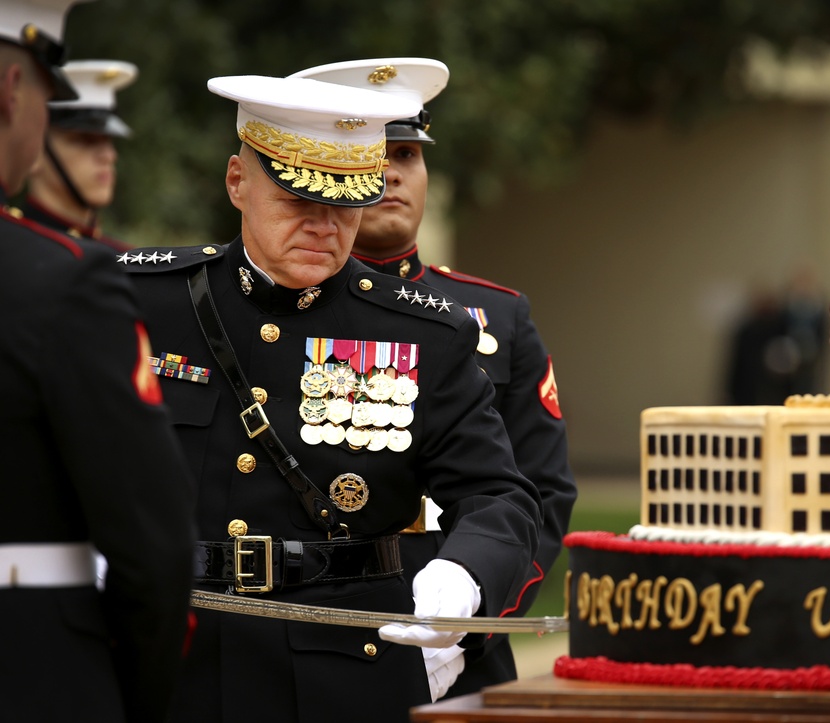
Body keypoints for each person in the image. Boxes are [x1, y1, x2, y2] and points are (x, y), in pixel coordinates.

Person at [120, 73, 542, 721]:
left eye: (346, 204)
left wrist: (463, 575)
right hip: (171, 655)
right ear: (238, 182)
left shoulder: (423, 331)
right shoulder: (142, 303)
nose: (325, 227)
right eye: (298, 201)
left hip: (346, 667)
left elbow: (499, 494)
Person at [290, 57, 577, 698]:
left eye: (409, 154)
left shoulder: (496, 316)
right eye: (371, 152)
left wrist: (472, 626)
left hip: (456, 651)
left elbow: (541, 497)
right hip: (313, 635)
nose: (392, 171)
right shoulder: (278, 314)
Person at [0, 2, 197, 722]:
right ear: (14, 98)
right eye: (79, 134)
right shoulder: (65, 278)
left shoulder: (110, 268)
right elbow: (154, 542)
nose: (105, 154)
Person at [23, 58, 136, 250]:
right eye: (86, 140)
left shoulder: (122, 256)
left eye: (108, 140)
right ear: (34, 150)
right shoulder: (13, 252)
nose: (109, 156)